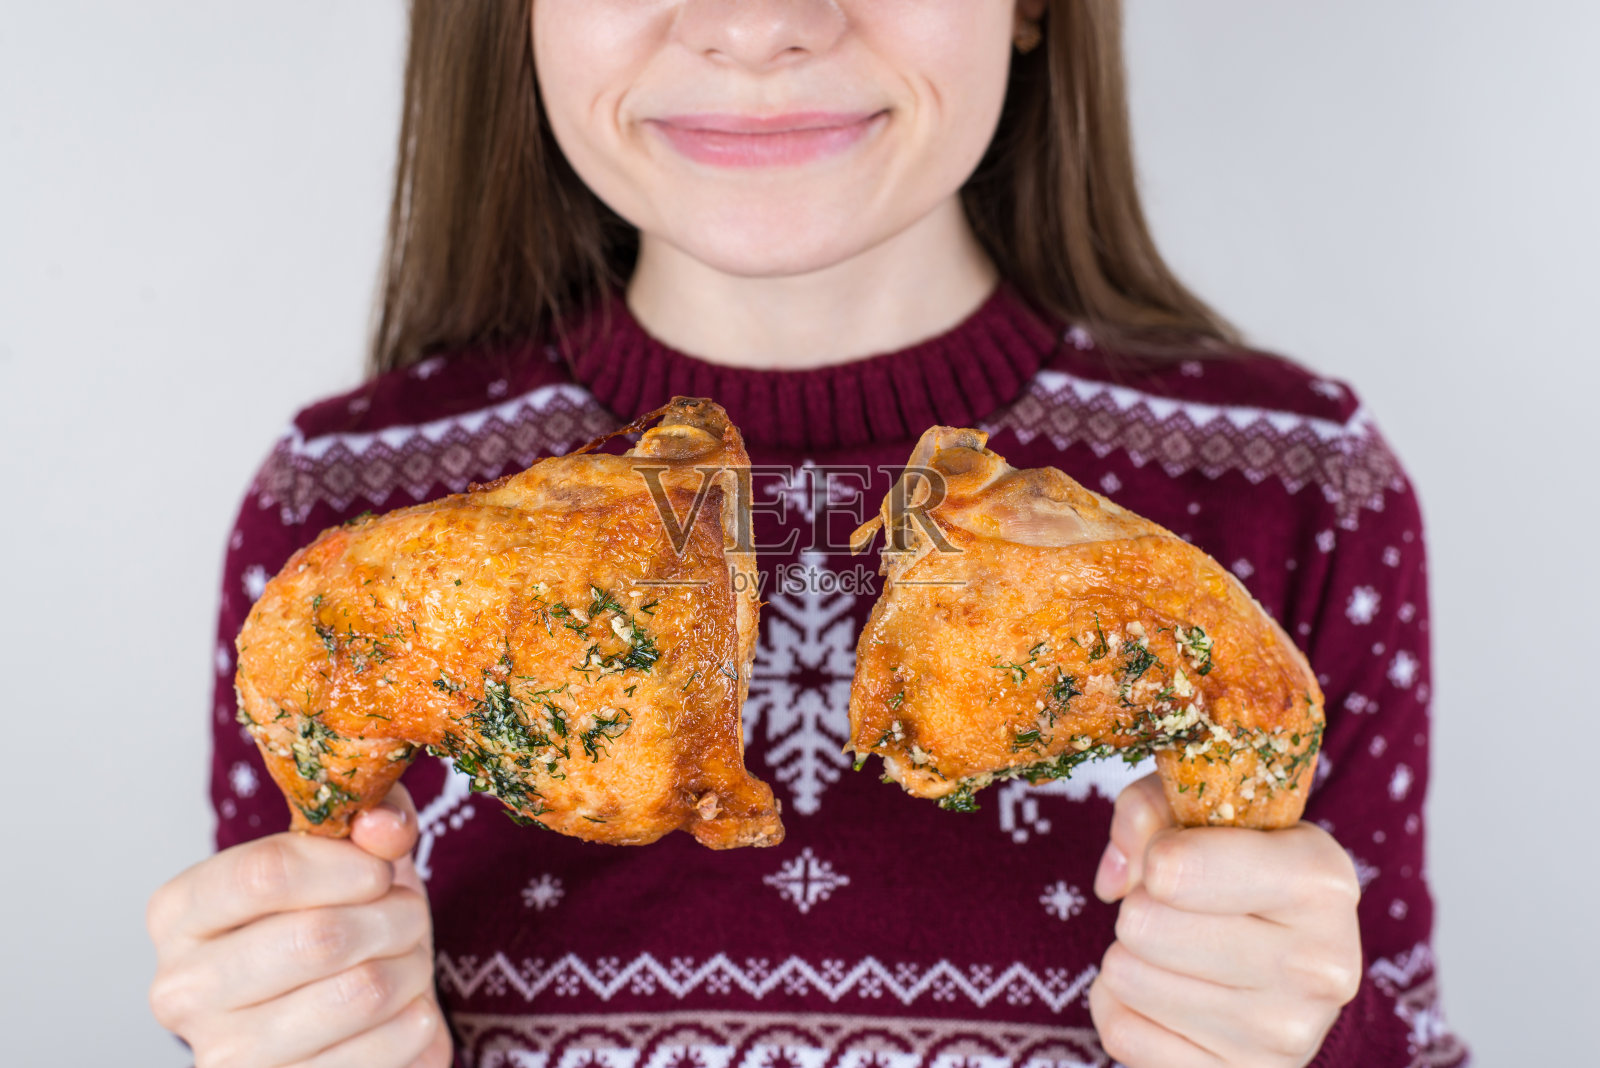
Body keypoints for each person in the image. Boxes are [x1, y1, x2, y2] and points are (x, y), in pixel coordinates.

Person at [146, 2, 1470, 1065]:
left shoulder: (1297, 496)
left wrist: (1309, 1046)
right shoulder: (338, 516)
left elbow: (1385, 1026)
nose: (760, 24)